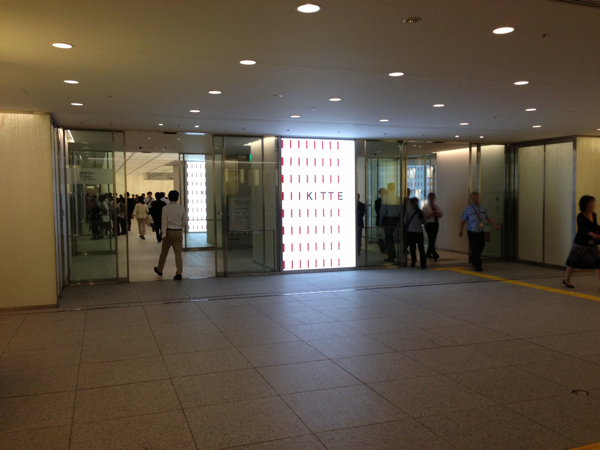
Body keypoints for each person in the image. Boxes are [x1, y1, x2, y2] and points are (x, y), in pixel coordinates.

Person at [564, 195, 600, 289]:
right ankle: (567, 280)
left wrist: (597, 232)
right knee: (573, 263)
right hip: (580, 243)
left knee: (598, 263)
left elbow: (595, 226)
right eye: (591, 203)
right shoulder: (580, 216)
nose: (593, 205)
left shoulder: (594, 214)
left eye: (593, 203)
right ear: (585, 204)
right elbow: (582, 229)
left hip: (592, 243)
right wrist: (592, 234)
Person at [459, 192, 499, 271]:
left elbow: (489, 218)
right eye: (473, 198)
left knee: (481, 246)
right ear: (471, 199)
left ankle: (473, 257)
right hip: (472, 232)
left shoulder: (483, 208)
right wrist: (461, 230)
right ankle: (478, 265)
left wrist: (494, 225)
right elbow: (463, 220)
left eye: (476, 197)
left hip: (480, 231)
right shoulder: (468, 209)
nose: (475, 199)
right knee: (475, 248)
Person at [154, 190, 186, 280]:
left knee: (164, 253)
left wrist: (164, 234)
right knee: (178, 254)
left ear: (169, 197)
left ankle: (160, 270)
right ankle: (179, 273)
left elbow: (164, 222)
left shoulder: (165, 208)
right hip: (178, 232)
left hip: (168, 232)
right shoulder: (181, 208)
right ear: (177, 198)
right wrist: (179, 227)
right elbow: (184, 221)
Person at [379, 183, 403, 263]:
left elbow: (383, 211)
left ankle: (391, 255)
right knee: (391, 237)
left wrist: (380, 221)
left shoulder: (386, 198)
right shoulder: (398, 198)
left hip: (388, 219)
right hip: (396, 219)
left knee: (388, 238)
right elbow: (400, 210)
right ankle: (393, 254)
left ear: (388, 188)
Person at [404, 197, 427, 269]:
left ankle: (413, 261)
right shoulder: (421, 212)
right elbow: (424, 222)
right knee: (421, 248)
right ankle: (423, 263)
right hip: (419, 232)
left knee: (412, 247)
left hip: (411, 231)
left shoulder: (408, 211)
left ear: (411, 203)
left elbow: (405, 221)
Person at [422, 192, 444, 261]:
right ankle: (434, 253)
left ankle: (428, 253)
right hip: (429, 224)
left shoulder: (436, 206)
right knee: (431, 238)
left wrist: (436, 214)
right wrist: (432, 214)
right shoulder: (425, 207)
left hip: (435, 224)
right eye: (431, 198)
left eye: (433, 198)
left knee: (433, 239)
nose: (432, 199)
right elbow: (424, 216)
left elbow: (441, 215)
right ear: (428, 198)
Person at [375, 188, 387, 254]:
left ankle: (385, 247)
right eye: (382, 192)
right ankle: (382, 248)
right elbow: (378, 211)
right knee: (380, 235)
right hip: (380, 220)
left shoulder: (387, 200)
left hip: (386, 221)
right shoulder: (377, 201)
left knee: (386, 235)